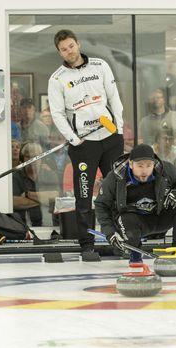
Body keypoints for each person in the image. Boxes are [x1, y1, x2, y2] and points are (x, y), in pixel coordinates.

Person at [48, 29, 124, 261]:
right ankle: (87, 246)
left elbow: (114, 97)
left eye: (71, 46)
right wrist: (73, 138)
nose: (69, 51)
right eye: (63, 49)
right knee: (84, 197)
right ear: (59, 52)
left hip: (110, 139)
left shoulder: (100, 66)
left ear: (78, 44)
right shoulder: (57, 78)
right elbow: (57, 114)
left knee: (116, 192)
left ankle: (119, 241)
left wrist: (118, 129)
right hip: (83, 144)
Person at [94, 144, 176, 263]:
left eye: (148, 165)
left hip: (160, 216)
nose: (144, 171)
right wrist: (110, 233)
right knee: (125, 219)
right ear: (131, 164)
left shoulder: (165, 169)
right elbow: (101, 205)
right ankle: (135, 253)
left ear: (154, 163)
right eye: (140, 166)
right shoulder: (115, 177)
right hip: (133, 222)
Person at [12, 143, 59, 227]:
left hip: (50, 226)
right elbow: (14, 202)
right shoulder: (15, 176)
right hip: (23, 227)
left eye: (36, 156)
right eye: (28, 156)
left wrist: (27, 194)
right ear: (22, 159)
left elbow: (56, 198)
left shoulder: (50, 175)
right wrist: (43, 200)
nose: (32, 159)